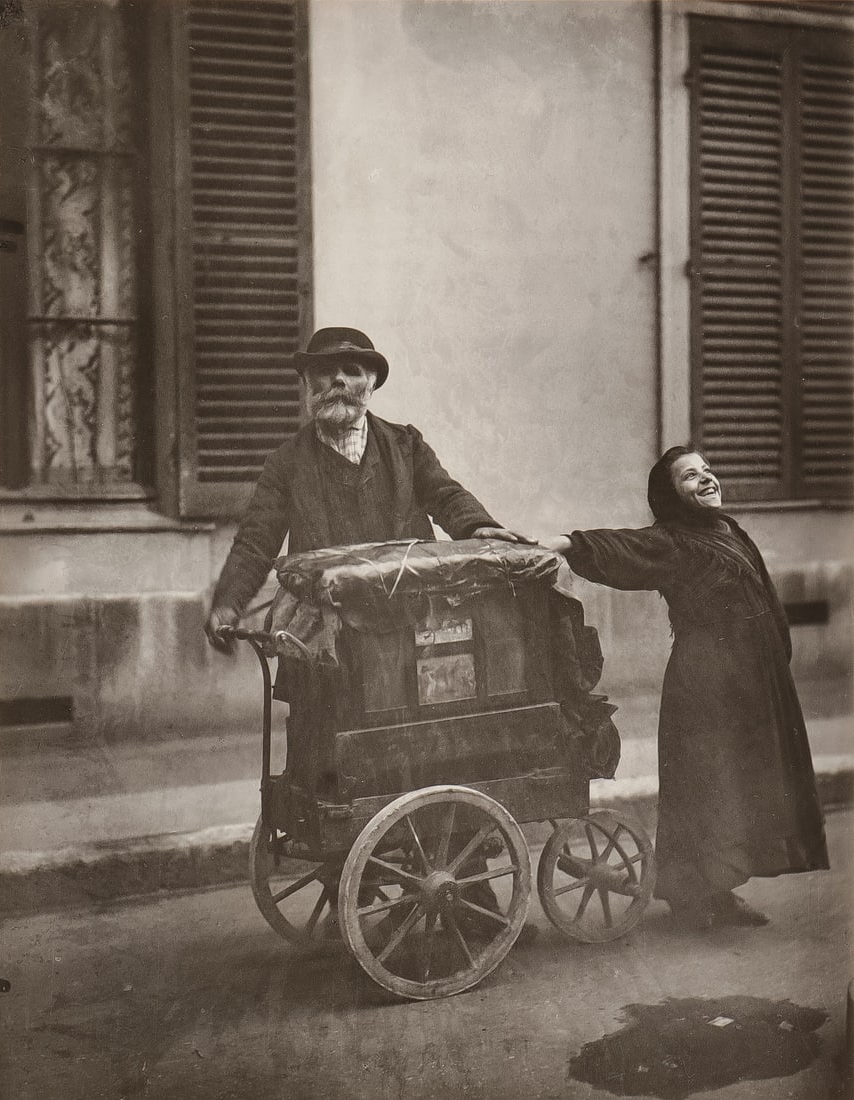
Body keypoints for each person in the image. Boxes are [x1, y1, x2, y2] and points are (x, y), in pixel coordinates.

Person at [541, 445, 829, 930]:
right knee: (709, 784)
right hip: (707, 683)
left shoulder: (729, 531)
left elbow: (765, 595)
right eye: (690, 477)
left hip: (752, 681)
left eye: (707, 471)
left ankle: (718, 890)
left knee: (740, 784)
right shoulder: (672, 542)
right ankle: (697, 896)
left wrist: (776, 658)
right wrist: (563, 543)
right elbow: (622, 546)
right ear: (669, 495)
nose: (707, 479)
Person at [205, 326, 530, 649]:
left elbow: (446, 495)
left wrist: (479, 525)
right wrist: (228, 604)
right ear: (306, 381)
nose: (338, 380)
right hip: (325, 633)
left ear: (371, 383)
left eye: (351, 371)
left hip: (409, 621)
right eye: (325, 370)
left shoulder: (407, 446)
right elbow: (255, 543)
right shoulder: (285, 463)